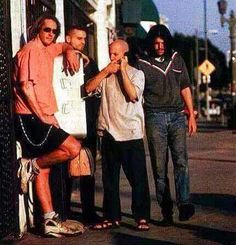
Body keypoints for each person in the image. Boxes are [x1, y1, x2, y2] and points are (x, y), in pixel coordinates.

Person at [13, 14, 86, 237]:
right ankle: (29, 165)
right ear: (37, 29)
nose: (50, 34)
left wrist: (70, 50)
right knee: (73, 148)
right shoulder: (30, 50)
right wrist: (43, 116)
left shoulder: (48, 47)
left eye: (54, 31)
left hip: (43, 116)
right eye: (47, 30)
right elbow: (26, 87)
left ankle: (49, 220)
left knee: (44, 170)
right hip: (31, 117)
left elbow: (63, 45)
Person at [85, 39, 150, 231]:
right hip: (108, 132)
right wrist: (106, 71)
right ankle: (112, 217)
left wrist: (121, 70)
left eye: (115, 54)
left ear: (125, 55)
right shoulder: (105, 75)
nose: (112, 57)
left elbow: (132, 95)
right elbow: (88, 88)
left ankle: (141, 217)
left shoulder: (137, 74)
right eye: (110, 53)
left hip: (131, 132)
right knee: (109, 180)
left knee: (137, 179)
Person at [137, 24, 197, 226]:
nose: (160, 46)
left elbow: (185, 87)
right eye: (156, 43)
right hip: (155, 117)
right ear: (151, 43)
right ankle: (166, 211)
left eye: (163, 43)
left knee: (181, 162)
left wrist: (191, 115)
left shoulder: (177, 59)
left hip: (177, 116)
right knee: (159, 167)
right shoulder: (142, 63)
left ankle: (185, 203)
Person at [65, 25, 101, 225]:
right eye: (78, 38)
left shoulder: (90, 63)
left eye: (84, 39)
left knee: (88, 168)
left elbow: (93, 90)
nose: (83, 42)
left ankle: (88, 211)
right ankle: (64, 209)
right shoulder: (58, 59)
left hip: (87, 121)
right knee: (65, 169)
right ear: (68, 39)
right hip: (66, 121)